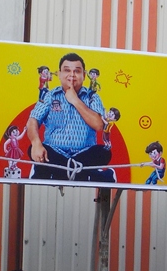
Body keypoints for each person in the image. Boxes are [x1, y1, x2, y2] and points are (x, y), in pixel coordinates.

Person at [26, 53, 115, 182]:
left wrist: (75, 100)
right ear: (59, 74)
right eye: (67, 70)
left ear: (84, 75)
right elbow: (33, 120)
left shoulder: (92, 97)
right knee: (34, 150)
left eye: (77, 71)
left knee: (103, 152)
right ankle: (84, 173)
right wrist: (36, 143)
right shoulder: (50, 95)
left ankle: (55, 172)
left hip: (85, 154)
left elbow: (98, 125)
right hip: (55, 153)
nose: (72, 75)